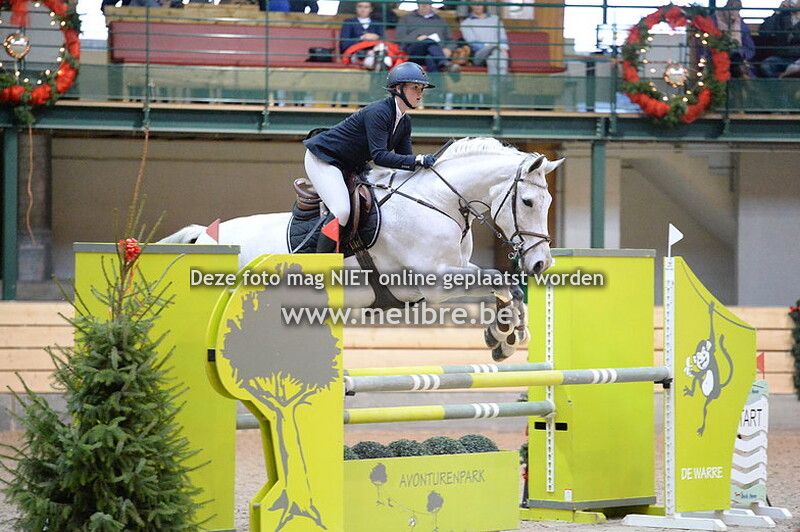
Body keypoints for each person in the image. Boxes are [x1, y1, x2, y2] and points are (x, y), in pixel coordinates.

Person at [302, 62, 438, 253]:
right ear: (398, 89)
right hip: (325, 158)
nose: (420, 93)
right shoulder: (379, 112)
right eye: (415, 87)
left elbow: (404, 160)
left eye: (422, 88)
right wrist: (418, 160)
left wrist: (424, 167)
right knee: (342, 210)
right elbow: (380, 156)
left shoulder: (405, 121)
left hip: (350, 164)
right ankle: (318, 266)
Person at [395, 2, 461, 73]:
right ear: (417, 4)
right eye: (421, 2)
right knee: (428, 41)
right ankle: (445, 63)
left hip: (435, 53)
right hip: (414, 52)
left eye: (427, 2)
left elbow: (451, 40)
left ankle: (437, 82)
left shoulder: (441, 21)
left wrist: (448, 49)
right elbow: (400, 38)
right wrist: (416, 39)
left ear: (431, 4)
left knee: (430, 58)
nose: (424, 5)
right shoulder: (406, 19)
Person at [460, 0, 509, 76]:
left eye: (480, 2)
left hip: (497, 53)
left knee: (493, 59)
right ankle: (505, 81)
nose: (477, 5)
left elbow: (503, 38)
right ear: (470, 5)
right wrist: (496, 47)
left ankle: (497, 86)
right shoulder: (466, 23)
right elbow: (474, 45)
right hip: (479, 55)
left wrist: (501, 48)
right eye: (474, 3)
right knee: (497, 53)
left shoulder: (496, 19)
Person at [713, 0, 756, 78]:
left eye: (737, 10)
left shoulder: (742, 25)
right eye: (731, 8)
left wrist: (741, 53)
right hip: (717, 59)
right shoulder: (713, 21)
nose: (733, 13)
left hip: (739, 59)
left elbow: (750, 48)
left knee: (741, 66)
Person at [758, 0, 800, 78]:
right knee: (766, 66)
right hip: (782, 57)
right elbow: (764, 33)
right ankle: (778, 87)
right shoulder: (781, 16)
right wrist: (777, 11)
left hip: (798, 58)